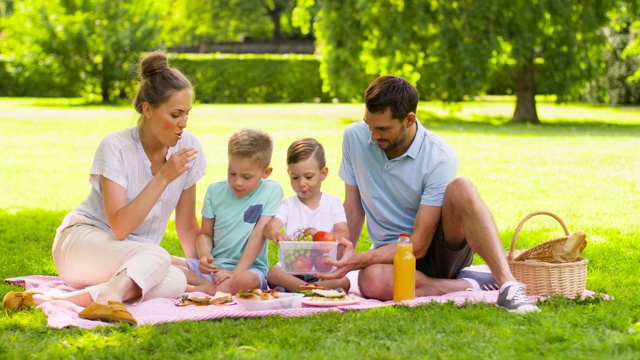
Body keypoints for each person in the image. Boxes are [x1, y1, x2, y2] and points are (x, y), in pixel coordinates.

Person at [1, 51, 207, 324]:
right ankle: (108, 300)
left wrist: (202, 270)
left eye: (187, 114)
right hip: (81, 244)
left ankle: (51, 301)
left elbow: (186, 225)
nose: (183, 123)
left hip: (131, 257)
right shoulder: (115, 147)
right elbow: (120, 226)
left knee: (175, 280)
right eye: (175, 114)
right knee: (157, 258)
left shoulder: (188, 146)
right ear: (148, 110)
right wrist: (163, 177)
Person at [317, 75, 540, 314]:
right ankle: (467, 285)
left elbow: (420, 245)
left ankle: (508, 286)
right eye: (369, 125)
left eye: (382, 128)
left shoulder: (438, 156)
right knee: (371, 281)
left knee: (461, 186)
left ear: (409, 120)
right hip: (389, 252)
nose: (373, 136)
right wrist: (335, 263)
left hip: (438, 252)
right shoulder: (354, 138)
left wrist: (358, 259)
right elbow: (352, 209)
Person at [171, 128, 283, 295]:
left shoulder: (271, 191)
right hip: (213, 269)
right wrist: (203, 255)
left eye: (246, 177)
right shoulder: (214, 191)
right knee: (160, 260)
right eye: (232, 173)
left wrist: (234, 273)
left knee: (248, 281)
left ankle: (198, 289)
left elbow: (257, 235)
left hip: (248, 269)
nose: (237, 182)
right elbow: (205, 234)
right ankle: (208, 287)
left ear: (266, 172)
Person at [264, 138, 351, 292]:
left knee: (344, 281)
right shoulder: (288, 205)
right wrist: (275, 233)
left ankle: (302, 289)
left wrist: (319, 237)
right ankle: (313, 289)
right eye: (295, 177)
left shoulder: (333, 203)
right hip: (292, 270)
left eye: (308, 177)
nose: (301, 183)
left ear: (323, 173)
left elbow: (343, 232)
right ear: (289, 174)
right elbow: (270, 226)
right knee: (273, 273)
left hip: (323, 270)